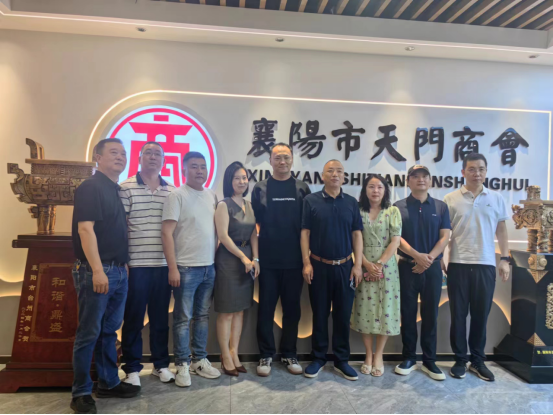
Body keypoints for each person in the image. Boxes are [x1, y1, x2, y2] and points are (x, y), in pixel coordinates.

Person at [70, 138, 140, 414]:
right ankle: (80, 392)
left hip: (118, 270)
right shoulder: (91, 187)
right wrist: (98, 270)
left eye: (123, 153)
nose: (120, 157)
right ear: (97, 157)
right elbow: (85, 230)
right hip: (96, 271)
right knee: (89, 333)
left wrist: (123, 265)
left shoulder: (114, 189)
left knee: (109, 331)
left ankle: (108, 383)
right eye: (113, 152)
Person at [444, 153, 510, 382]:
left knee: (481, 316)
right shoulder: (450, 199)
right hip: (458, 264)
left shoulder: (496, 198)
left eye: (481, 169)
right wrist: (441, 257)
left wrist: (505, 259)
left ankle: (478, 360)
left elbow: (501, 230)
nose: (477, 173)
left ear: (486, 171)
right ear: (463, 172)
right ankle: (460, 360)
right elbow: (444, 232)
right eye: (472, 169)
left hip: (486, 264)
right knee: (458, 316)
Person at [161, 151, 221, 388]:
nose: (199, 171)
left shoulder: (211, 195)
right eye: (194, 166)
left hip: (208, 267)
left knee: (202, 316)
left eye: (203, 166)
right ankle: (182, 363)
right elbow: (166, 233)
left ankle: (199, 360)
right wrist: (172, 268)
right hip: (185, 268)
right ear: (184, 170)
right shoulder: (177, 195)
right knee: (183, 318)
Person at [301, 159, 364, 381]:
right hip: (318, 266)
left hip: (345, 267)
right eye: (330, 171)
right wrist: (306, 263)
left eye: (339, 171)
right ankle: (318, 358)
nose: (335, 174)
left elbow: (357, 234)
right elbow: (305, 233)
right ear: (323, 176)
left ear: (344, 177)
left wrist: (357, 265)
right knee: (319, 314)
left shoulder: (351, 203)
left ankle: (341, 360)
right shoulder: (311, 201)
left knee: (342, 315)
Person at [119, 142, 176, 387]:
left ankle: (161, 365)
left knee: (160, 319)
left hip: (163, 265)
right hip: (136, 266)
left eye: (158, 154)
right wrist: (124, 261)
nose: (153, 157)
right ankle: (131, 368)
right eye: (148, 153)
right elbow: (121, 228)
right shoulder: (126, 188)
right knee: (133, 318)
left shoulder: (171, 191)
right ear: (140, 157)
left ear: (164, 160)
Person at [252, 143, 310, 377]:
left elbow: (307, 227)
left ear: (292, 159)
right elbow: (254, 224)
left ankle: (289, 353)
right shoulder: (260, 188)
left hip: (295, 261)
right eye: (277, 157)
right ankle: (265, 354)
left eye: (286, 157)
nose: (282, 161)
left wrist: (306, 259)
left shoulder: (302, 187)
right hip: (267, 261)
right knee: (265, 309)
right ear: (270, 160)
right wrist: (256, 257)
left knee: (292, 310)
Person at [393, 165, 451, 381]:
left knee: (430, 315)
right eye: (415, 176)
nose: (421, 179)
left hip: (432, 269)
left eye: (425, 176)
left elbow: (445, 237)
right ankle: (409, 357)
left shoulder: (441, 207)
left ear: (430, 181)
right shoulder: (398, 207)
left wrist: (427, 260)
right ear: (408, 181)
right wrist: (417, 256)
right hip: (407, 267)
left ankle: (429, 361)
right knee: (407, 314)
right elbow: (396, 238)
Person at [350, 174, 402, 377]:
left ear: (385, 190)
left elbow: (395, 240)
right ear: (365, 189)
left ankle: (379, 354)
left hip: (386, 267)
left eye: (380, 187)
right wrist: (365, 264)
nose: (375, 191)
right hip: (362, 264)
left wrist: (379, 264)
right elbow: (354, 239)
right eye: (371, 187)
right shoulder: (357, 210)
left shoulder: (392, 211)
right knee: (364, 308)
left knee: (385, 309)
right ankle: (368, 355)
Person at [214, 162, 259, 376]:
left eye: (244, 178)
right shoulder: (224, 205)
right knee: (227, 312)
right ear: (229, 181)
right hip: (229, 261)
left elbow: (253, 234)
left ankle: (235, 353)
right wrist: (243, 257)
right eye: (237, 178)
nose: (242, 182)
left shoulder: (249, 205)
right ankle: (225, 356)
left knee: (240, 310)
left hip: (247, 260)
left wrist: (255, 258)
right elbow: (223, 236)